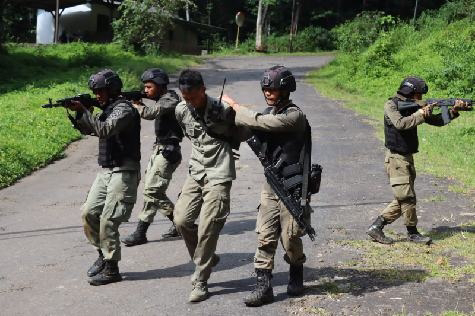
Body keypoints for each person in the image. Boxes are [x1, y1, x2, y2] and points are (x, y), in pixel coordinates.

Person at [222, 65, 312, 307]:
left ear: (285, 90)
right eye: (265, 89)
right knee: (265, 235)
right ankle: (264, 286)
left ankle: (296, 271)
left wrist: (236, 107)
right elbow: (246, 130)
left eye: (272, 89)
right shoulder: (267, 114)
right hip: (271, 185)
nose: (268, 92)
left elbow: (264, 123)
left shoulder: (294, 116)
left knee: (291, 238)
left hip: (293, 187)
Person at [173, 69, 247, 303]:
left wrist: (234, 111)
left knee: (208, 227)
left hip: (219, 172)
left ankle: (200, 280)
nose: (190, 102)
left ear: (203, 90)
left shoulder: (222, 110)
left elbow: (244, 132)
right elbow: (191, 136)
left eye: (194, 97)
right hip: (196, 170)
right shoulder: (181, 110)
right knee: (181, 220)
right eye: (186, 98)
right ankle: (207, 256)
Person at [367, 76, 468, 245]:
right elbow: (400, 124)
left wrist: (454, 110)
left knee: (405, 197)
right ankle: (412, 233)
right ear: (410, 92)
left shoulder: (415, 108)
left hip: (407, 158)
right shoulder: (391, 105)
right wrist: (420, 114)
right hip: (396, 158)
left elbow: (438, 121)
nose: (420, 99)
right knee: (407, 198)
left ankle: (376, 227)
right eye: (418, 95)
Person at [67, 69, 141, 285]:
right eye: (95, 92)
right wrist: (82, 113)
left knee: (108, 220)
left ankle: (112, 269)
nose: (97, 95)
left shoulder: (124, 109)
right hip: (107, 170)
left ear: (113, 89)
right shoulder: (107, 109)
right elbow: (88, 129)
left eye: (100, 91)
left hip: (124, 170)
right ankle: (102, 254)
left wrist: (86, 110)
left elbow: (104, 130)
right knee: (89, 213)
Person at [121, 68, 183, 246]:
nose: (146, 90)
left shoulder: (170, 98)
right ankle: (142, 232)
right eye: (145, 88)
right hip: (160, 149)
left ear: (160, 86)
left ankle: (181, 222)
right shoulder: (162, 97)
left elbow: (150, 113)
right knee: (151, 191)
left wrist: (137, 104)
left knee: (152, 191)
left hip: (168, 151)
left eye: (149, 87)